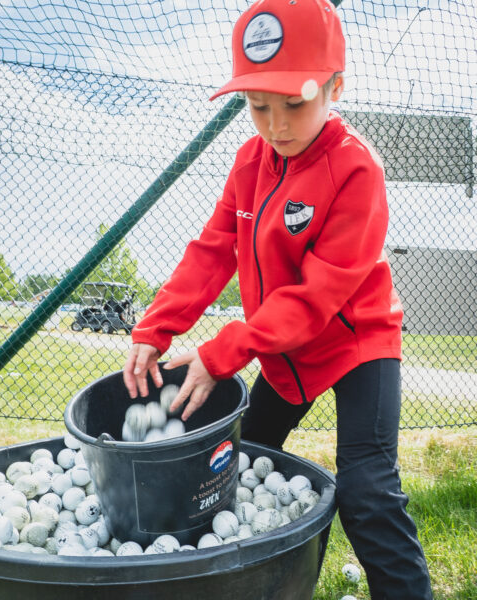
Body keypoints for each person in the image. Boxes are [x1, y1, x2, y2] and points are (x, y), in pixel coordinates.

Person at [123, 0, 433, 597]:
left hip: (357, 346)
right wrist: (154, 329)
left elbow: (317, 296)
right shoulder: (249, 161)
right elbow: (213, 251)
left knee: (366, 491)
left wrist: (222, 352)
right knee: (236, 467)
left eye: (294, 104)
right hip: (284, 350)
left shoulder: (356, 169)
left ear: (336, 87)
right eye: (258, 106)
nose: (275, 125)